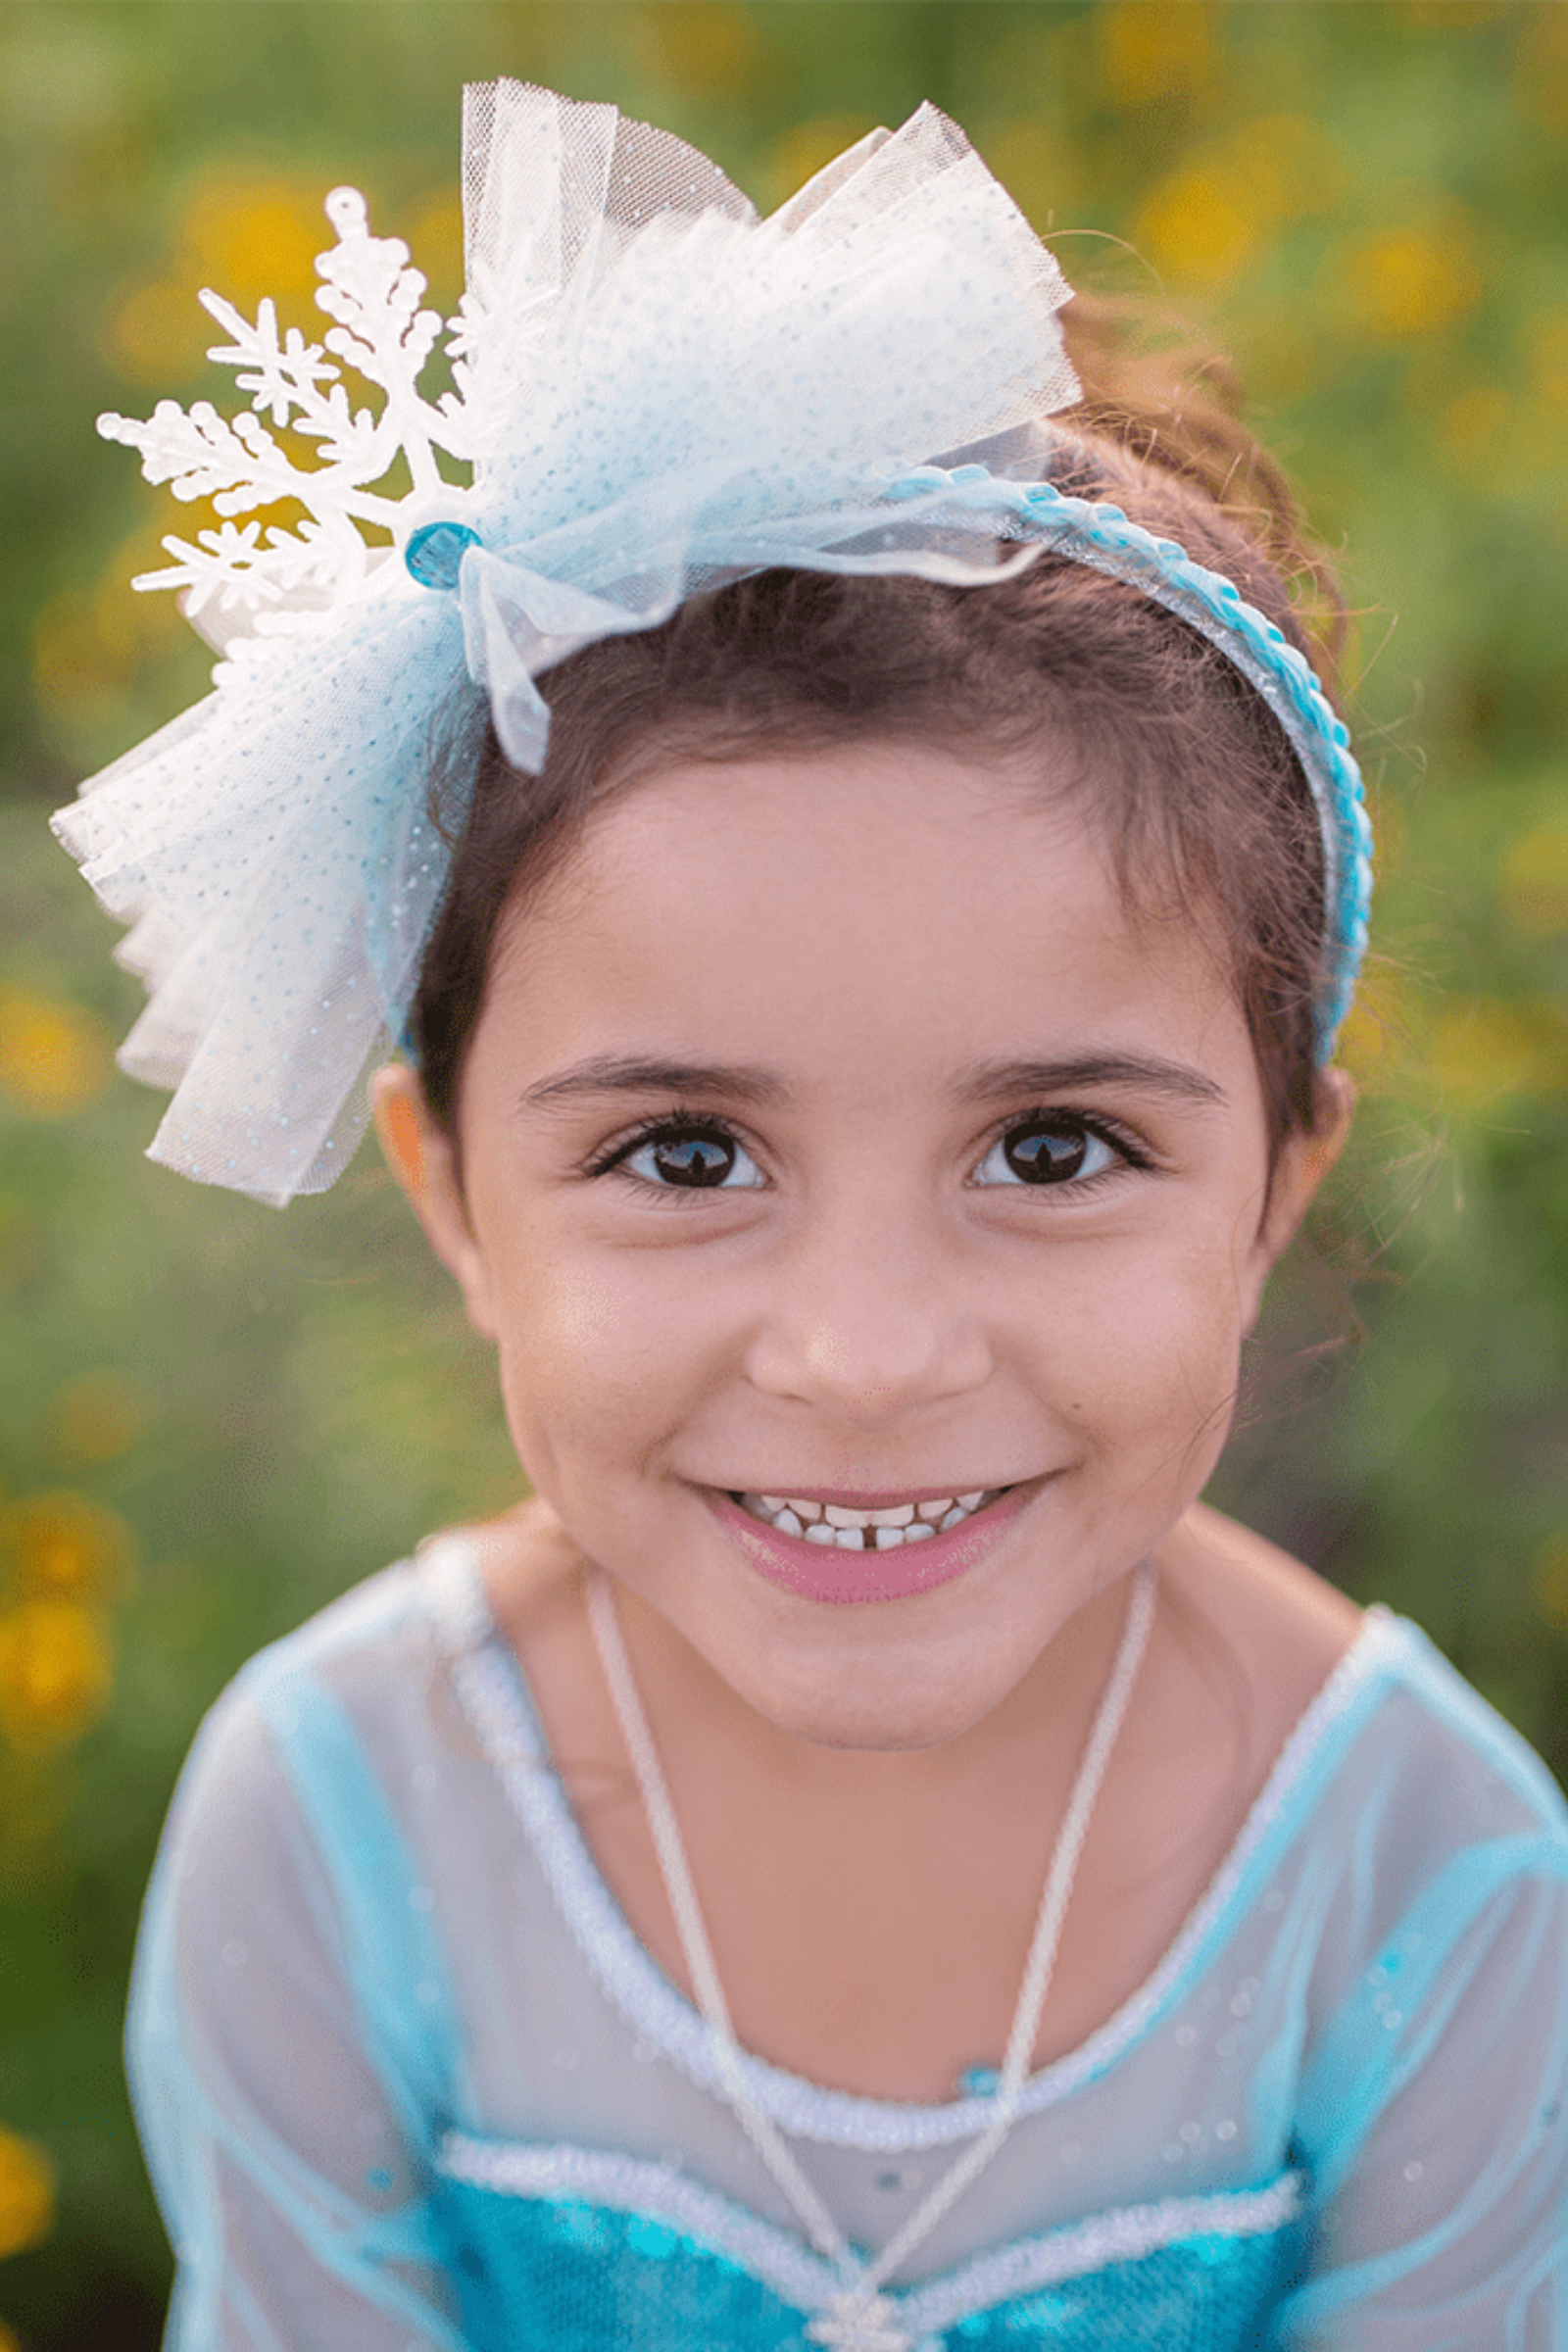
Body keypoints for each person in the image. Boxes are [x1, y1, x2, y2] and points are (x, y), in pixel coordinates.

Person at [55, 80, 1567, 2352]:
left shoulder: (1434, 1886)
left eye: (1052, 1148)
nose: (863, 1356)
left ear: (1275, 1189)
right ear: (453, 1194)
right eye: (682, 1154)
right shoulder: (340, 1826)